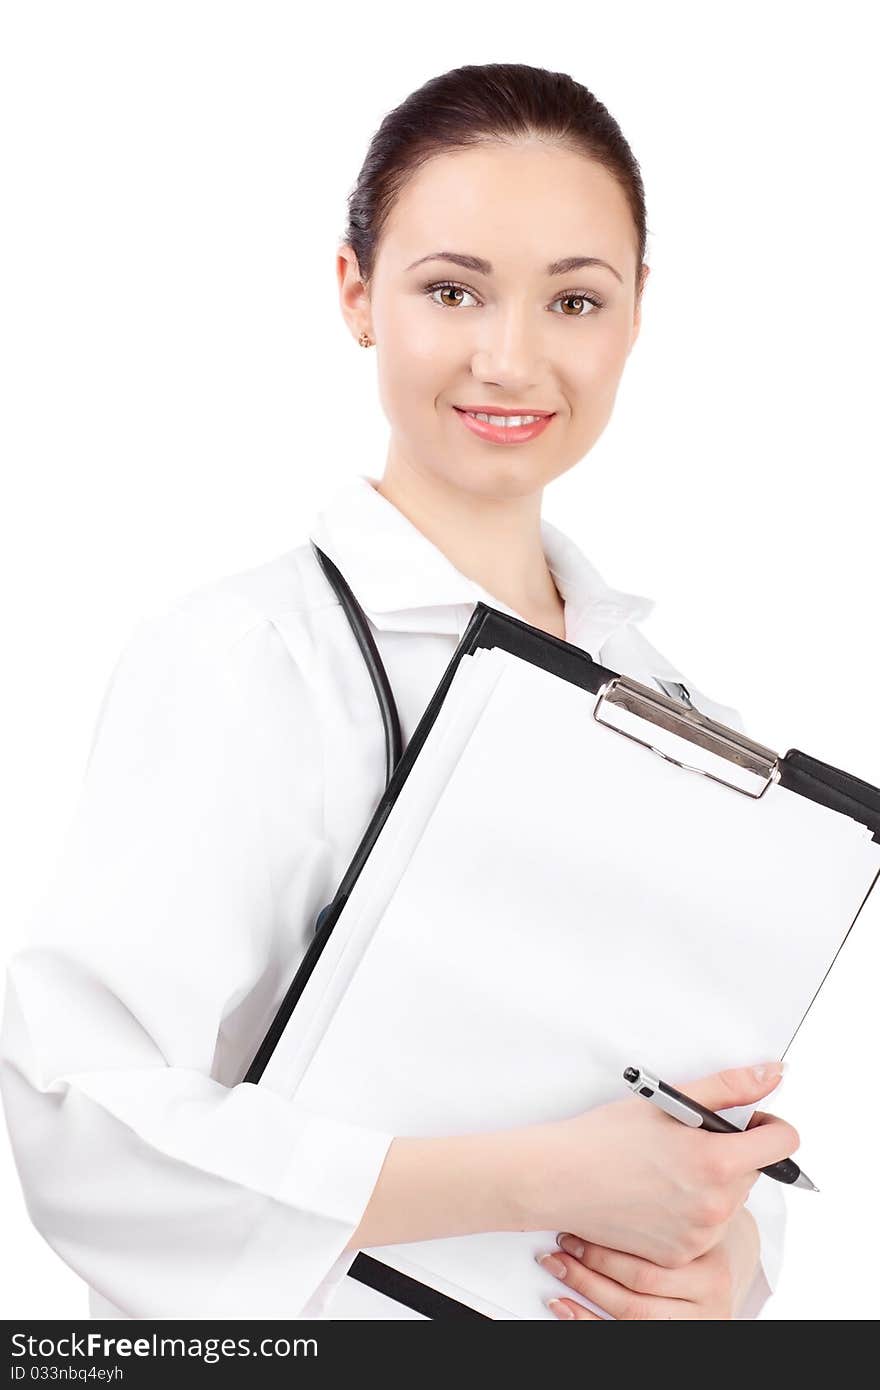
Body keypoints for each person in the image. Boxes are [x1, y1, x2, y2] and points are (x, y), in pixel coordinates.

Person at [0, 62, 796, 1322]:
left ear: (637, 314)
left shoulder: (683, 716)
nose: (511, 356)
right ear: (356, 293)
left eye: (574, 299)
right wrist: (531, 1177)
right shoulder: (251, 656)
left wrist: (728, 1265)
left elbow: (700, 1138)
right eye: (451, 289)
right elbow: (87, 1124)